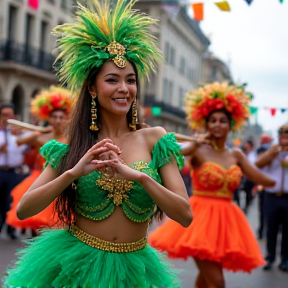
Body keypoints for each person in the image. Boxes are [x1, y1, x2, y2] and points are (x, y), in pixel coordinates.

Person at [3, 1, 192, 287]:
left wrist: (140, 176)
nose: (123, 89)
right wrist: (72, 173)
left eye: (130, 80)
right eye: (112, 80)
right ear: (92, 88)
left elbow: (185, 215)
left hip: (135, 270)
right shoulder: (73, 146)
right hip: (76, 265)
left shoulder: (155, 139)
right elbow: (24, 209)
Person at [149, 82, 275, 288]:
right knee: (217, 281)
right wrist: (197, 143)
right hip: (200, 220)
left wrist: (273, 153)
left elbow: (262, 178)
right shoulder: (198, 150)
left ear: (230, 125)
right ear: (206, 125)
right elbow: (181, 151)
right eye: (213, 120)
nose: (217, 124)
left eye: (223, 121)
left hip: (226, 222)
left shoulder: (236, 154)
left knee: (207, 279)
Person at [6, 86, 72, 233]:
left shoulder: (71, 139)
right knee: (36, 225)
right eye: (54, 117)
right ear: (49, 118)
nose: (58, 121)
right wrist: (39, 132)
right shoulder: (42, 136)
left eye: (61, 117)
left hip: (60, 182)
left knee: (56, 226)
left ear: (67, 119)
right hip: (39, 179)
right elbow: (18, 142)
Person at [255, 124, 288, 272]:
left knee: (287, 230)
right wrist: (272, 152)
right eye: (282, 135)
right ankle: (269, 257)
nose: (284, 138)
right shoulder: (272, 150)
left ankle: (285, 259)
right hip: (271, 195)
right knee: (271, 228)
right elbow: (258, 164)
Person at [0, 103, 28, 239]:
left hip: (13, 172)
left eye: (10, 115)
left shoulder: (19, 134)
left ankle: (11, 229)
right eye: (5, 115)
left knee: (10, 202)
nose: (7, 118)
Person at [256, 133, 273, 240]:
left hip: (270, 188)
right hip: (263, 188)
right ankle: (261, 231)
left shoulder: (275, 154)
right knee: (262, 211)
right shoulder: (260, 156)